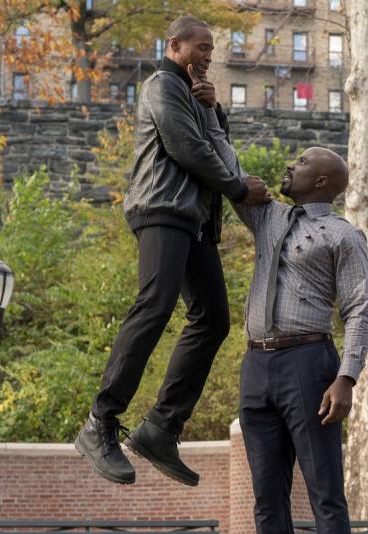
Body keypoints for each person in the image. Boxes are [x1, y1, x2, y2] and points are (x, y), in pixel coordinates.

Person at [197, 85, 368, 534]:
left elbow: (361, 310)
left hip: (310, 364)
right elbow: (229, 170)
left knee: (325, 491)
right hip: (257, 367)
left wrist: (346, 377)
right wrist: (210, 110)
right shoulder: (268, 218)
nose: (289, 166)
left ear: (322, 180)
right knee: (266, 495)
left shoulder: (343, 234)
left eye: (301, 162)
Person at [74, 15, 268, 488]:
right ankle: (100, 422)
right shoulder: (162, 84)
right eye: (200, 47)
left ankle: (161, 428)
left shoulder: (192, 93)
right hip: (161, 208)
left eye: (211, 48)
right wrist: (240, 189)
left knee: (214, 319)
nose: (208, 55)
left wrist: (215, 110)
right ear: (174, 45)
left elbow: (211, 144)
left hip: (194, 218)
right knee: (155, 304)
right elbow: (187, 150)